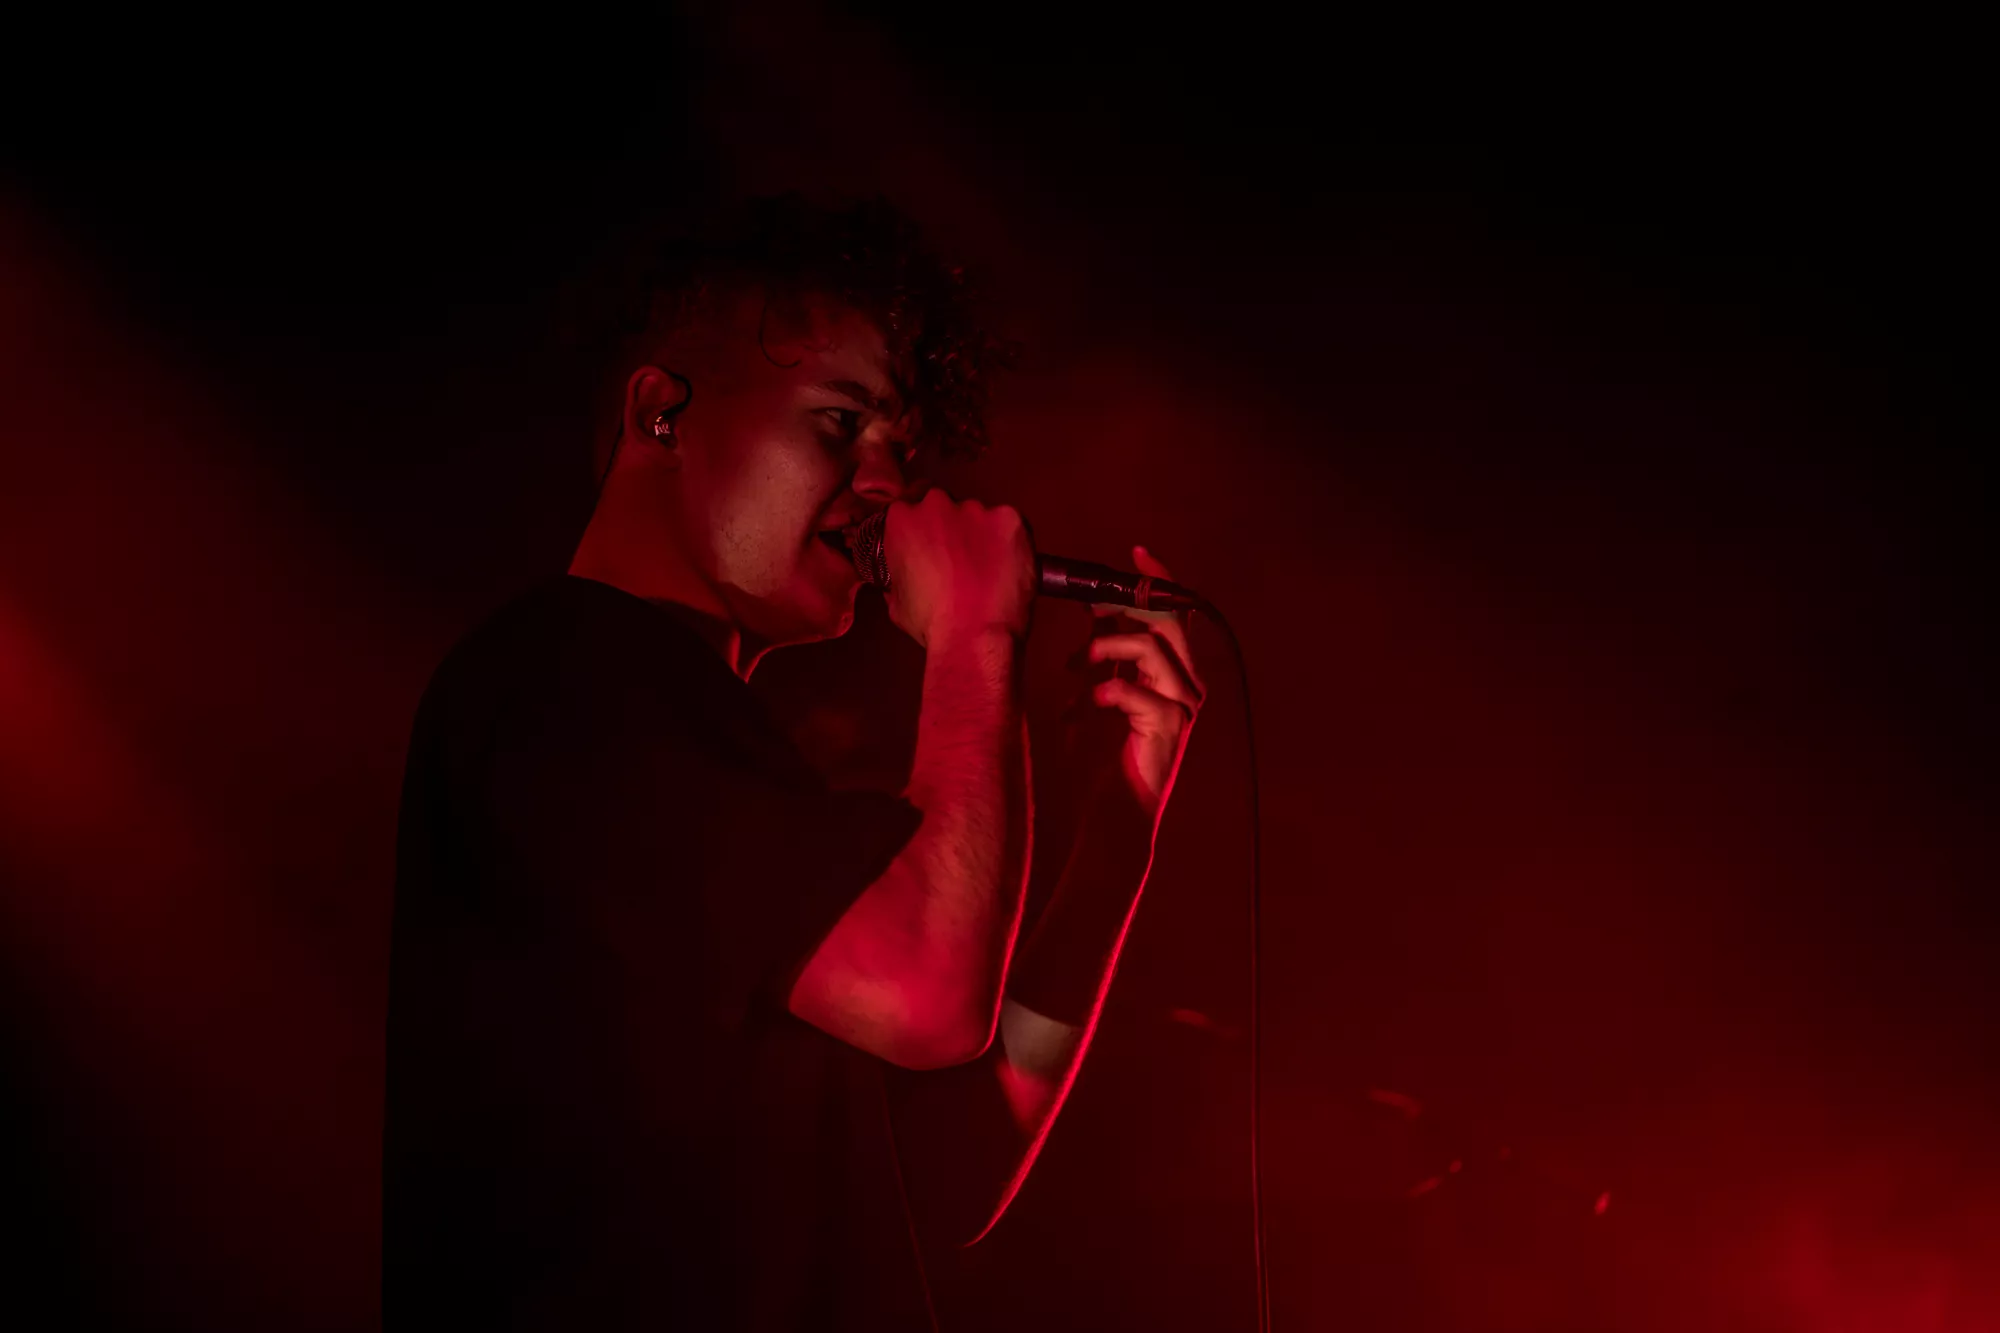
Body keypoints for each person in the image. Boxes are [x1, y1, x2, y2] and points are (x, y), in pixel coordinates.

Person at [381, 195, 1205, 1330]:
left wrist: (1117, 824)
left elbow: (939, 1173)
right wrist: (977, 631)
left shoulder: (721, 766)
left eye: (897, 450)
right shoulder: (558, 677)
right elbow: (926, 999)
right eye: (838, 423)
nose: (885, 485)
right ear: (662, 412)